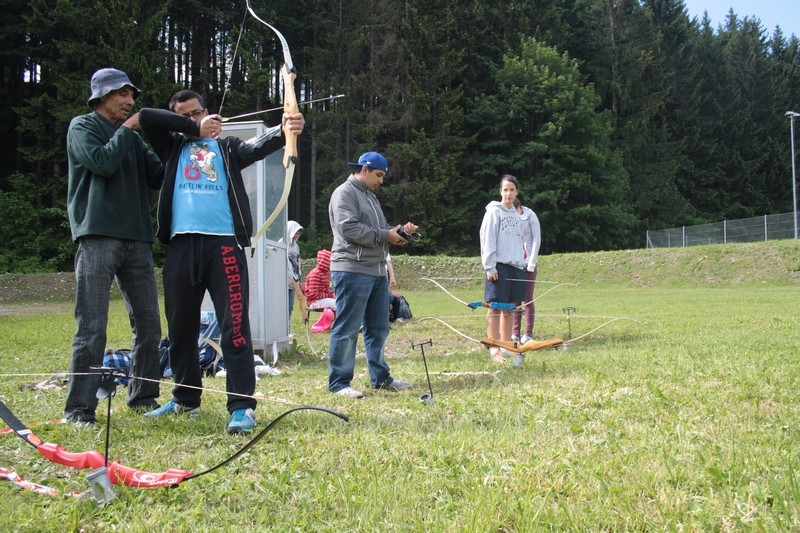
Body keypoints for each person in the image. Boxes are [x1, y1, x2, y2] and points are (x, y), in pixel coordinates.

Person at [137, 89, 305, 433]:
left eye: (198, 112)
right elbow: (146, 117)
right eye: (184, 115)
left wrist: (287, 128)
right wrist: (191, 128)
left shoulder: (226, 149)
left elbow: (259, 147)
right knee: (180, 327)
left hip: (224, 246)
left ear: (209, 112)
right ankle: (186, 399)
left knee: (234, 327)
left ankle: (241, 406)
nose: (193, 118)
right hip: (183, 246)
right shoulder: (172, 147)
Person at [64, 68, 165, 426]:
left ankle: (143, 396)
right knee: (91, 325)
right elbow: (102, 163)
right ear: (102, 97)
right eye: (123, 95)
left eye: (132, 96)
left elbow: (159, 175)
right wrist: (130, 129)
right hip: (98, 235)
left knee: (150, 324)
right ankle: (79, 409)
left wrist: (181, 142)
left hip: (137, 238)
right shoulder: (83, 126)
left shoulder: (134, 139)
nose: (130, 102)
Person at [327, 151, 417, 397]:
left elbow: (378, 231)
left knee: (378, 328)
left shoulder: (371, 198)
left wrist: (397, 233)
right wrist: (384, 235)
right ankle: (339, 384)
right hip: (352, 270)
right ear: (364, 169)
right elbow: (349, 229)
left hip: (376, 271)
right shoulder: (344, 193)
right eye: (378, 175)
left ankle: (380, 378)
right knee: (347, 328)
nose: (381, 181)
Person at [479, 174, 526, 363]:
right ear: (500, 191)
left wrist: (522, 264)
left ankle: (507, 345)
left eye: (512, 190)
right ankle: (494, 348)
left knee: (510, 309)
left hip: (516, 267)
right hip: (499, 267)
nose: (508, 193)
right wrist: (490, 266)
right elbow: (487, 239)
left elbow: (518, 242)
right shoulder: (493, 212)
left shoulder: (517, 215)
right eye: (505, 189)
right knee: (495, 308)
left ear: (517, 192)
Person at [510, 197, 541, 367]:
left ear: (519, 208)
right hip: (516, 263)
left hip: (529, 262)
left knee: (527, 298)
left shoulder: (530, 216)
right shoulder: (510, 218)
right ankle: (515, 333)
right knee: (516, 299)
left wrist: (532, 262)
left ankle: (527, 334)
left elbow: (536, 239)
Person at [285, 220, 304, 324]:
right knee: (283, 305)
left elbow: (298, 261)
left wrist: (298, 275)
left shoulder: (296, 246)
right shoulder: (282, 244)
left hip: (294, 280)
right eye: (296, 232)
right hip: (284, 279)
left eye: (299, 233)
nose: (297, 235)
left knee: (291, 305)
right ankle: (283, 327)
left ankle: (288, 328)